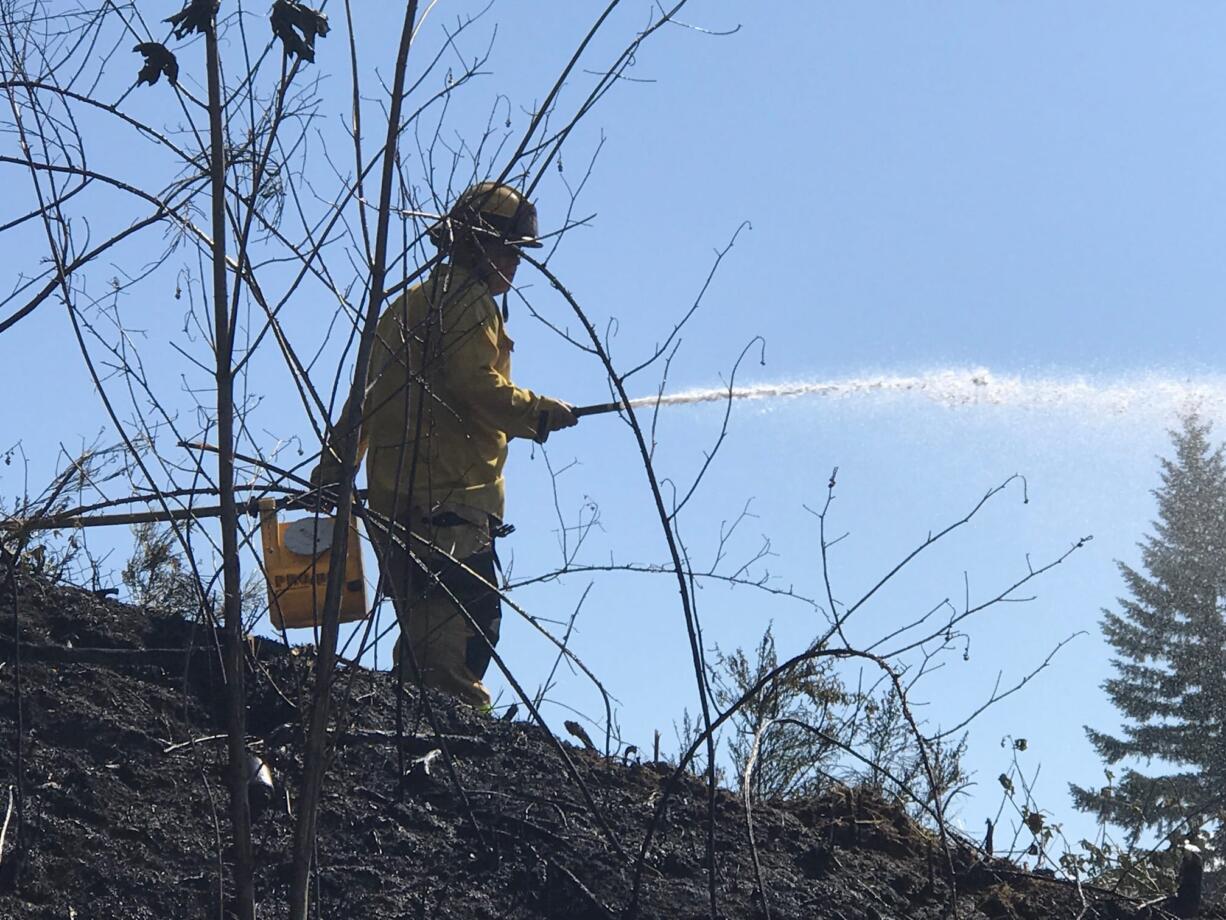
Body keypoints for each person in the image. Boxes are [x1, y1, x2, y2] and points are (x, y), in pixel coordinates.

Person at [310, 181, 578, 708]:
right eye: (513, 252)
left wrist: (329, 478)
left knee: (427, 635)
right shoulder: (471, 303)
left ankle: (414, 740)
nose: (517, 266)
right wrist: (539, 412)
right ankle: (454, 752)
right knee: (458, 642)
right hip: (452, 504)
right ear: (482, 245)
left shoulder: (404, 308)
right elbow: (474, 385)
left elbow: (359, 407)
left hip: (397, 507)